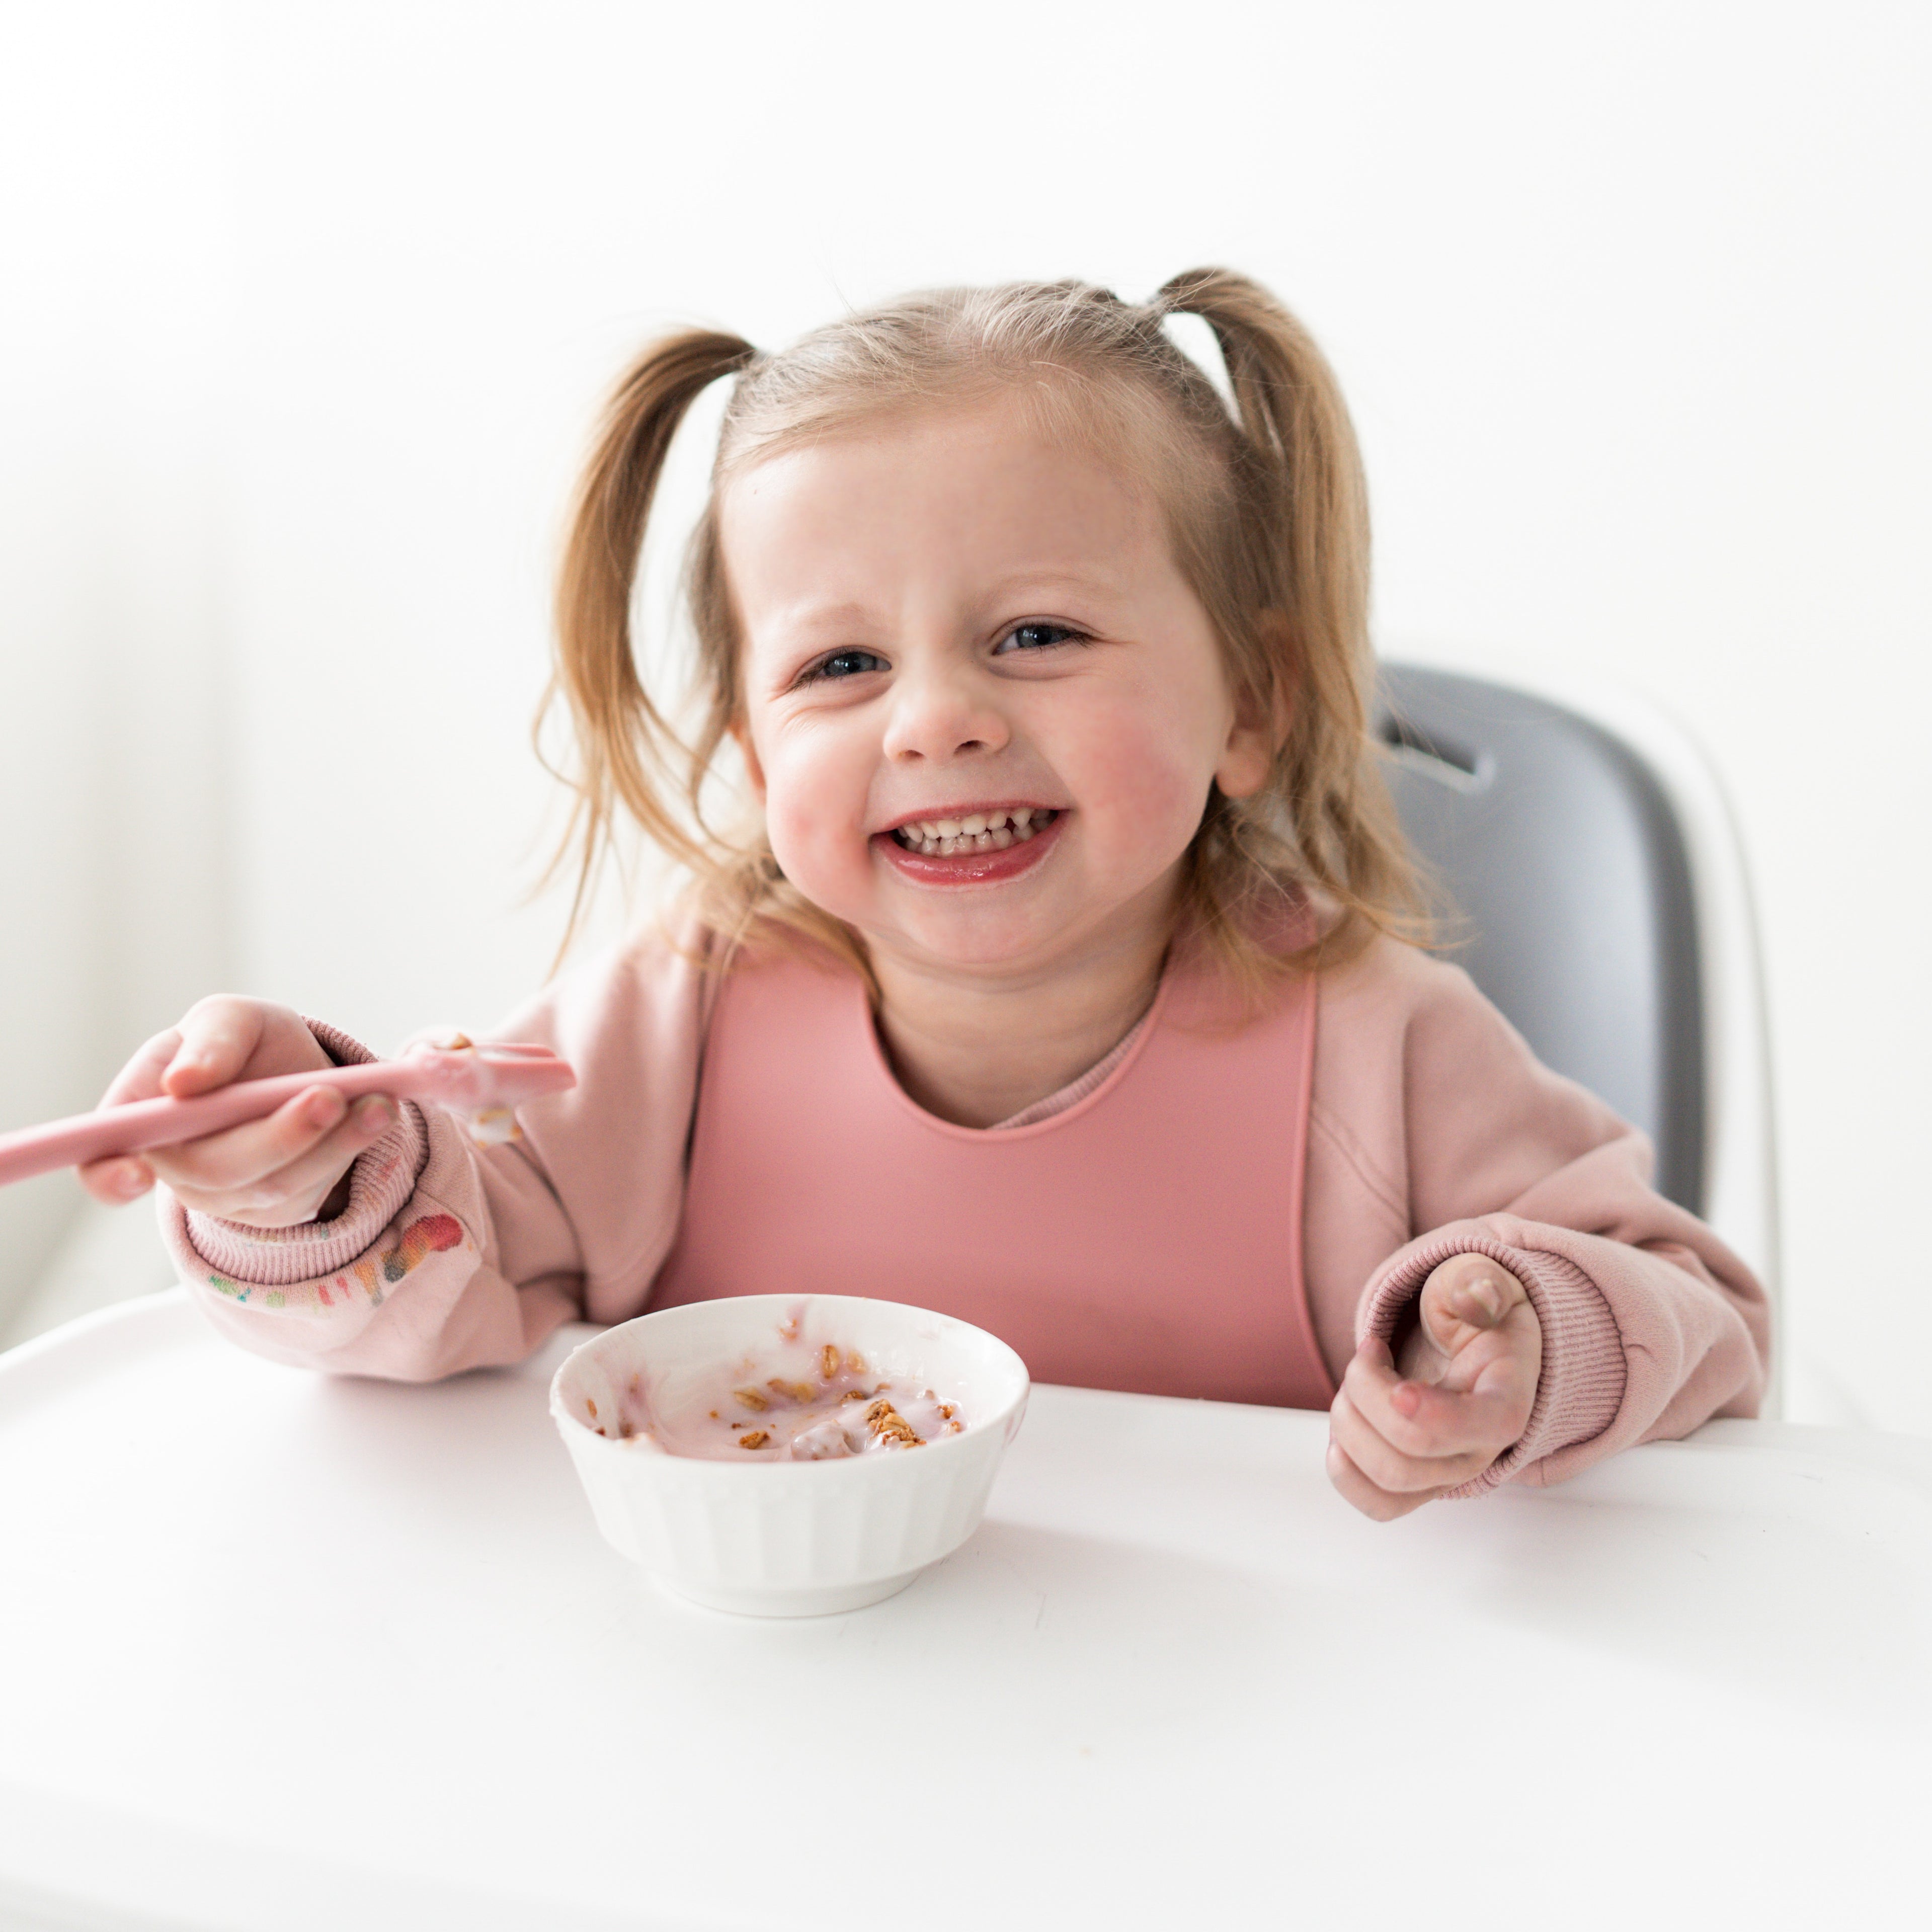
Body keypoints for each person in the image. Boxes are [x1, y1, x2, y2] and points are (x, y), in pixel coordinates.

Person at [79, 271, 1768, 1519]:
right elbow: (429, 1293)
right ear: (750, 749)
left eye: (1035, 634)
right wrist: (296, 1173)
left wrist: (1525, 1336)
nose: (937, 717)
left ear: (1250, 705)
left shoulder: (1379, 1045)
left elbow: (1701, 1318)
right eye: (839, 663)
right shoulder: (680, 1009)